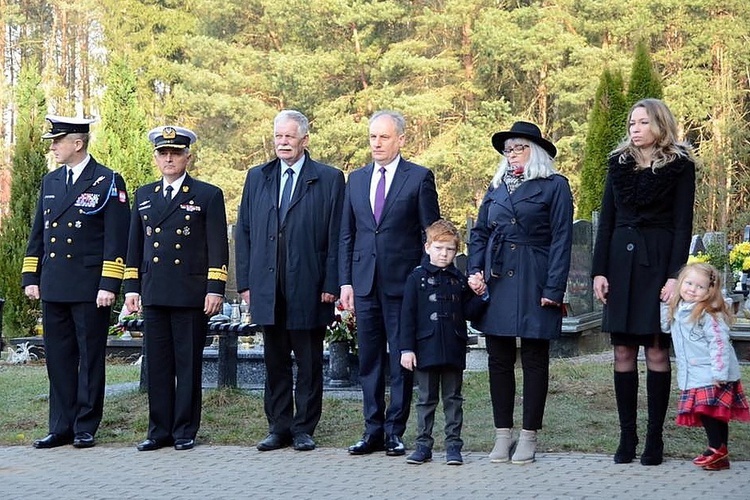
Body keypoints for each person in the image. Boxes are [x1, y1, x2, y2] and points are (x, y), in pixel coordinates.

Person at [592, 98, 696, 466]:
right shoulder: (617, 164)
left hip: (658, 264)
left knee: (655, 350)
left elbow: (683, 224)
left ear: (659, 125)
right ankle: (627, 436)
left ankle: (654, 439)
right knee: (622, 351)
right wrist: (599, 271)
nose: (634, 129)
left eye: (641, 122)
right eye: (631, 123)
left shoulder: (680, 167)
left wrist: (675, 277)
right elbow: (606, 220)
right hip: (620, 263)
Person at [235, 110, 344, 452]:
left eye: (289, 137)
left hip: (309, 286)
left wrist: (331, 283)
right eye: (278, 136)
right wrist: (246, 284)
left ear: (304, 140)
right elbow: (245, 231)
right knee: (275, 360)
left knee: (309, 362)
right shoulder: (258, 176)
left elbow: (337, 235)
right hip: (268, 287)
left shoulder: (328, 178)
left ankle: (304, 428)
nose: (282, 142)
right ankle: (278, 426)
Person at [467, 121, 573, 465]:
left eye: (519, 148)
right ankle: (503, 435)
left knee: (533, 357)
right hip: (497, 277)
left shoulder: (555, 186)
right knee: (498, 357)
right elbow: (480, 232)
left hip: (535, 275)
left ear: (536, 151)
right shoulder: (496, 187)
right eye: (508, 149)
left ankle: (529, 435)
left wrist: (553, 288)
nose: (512, 154)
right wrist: (475, 271)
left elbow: (561, 239)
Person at [22, 115, 130, 449]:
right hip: (54, 284)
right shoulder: (50, 182)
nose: (53, 147)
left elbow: (116, 238)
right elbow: (39, 232)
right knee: (58, 358)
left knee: (90, 357)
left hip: (89, 287)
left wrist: (109, 284)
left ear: (77, 143)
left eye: (58, 141)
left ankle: (85, 425)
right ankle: (60, 425)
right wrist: (31, 275)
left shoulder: (107, 180)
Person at [340, 110, 440, 456]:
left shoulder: (419, 178)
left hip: (403, 285)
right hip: (364, 284)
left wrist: (425, 282)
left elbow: (431, 233)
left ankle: (395, 431)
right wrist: (346, 283)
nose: (377, 143)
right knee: (368, 360)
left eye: (384, 137)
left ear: (401, 139)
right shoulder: (355, 179)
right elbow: (347, 235)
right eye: (372, 137)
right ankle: (372, 431)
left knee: (401, 358)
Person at [124, 126, 228, 451]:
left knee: (187, 365)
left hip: (190, 293)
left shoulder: (207, 195)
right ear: (155, 157)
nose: (168, 158)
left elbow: (217, 246)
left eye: (175, 153)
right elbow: (134, 246)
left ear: (188, 157)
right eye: (162, 153)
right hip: (154, 292)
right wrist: (131, 288)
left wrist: (215, 288)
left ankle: (184, 430)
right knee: (157, 365)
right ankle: (158, 431)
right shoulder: (144, 195)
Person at [399, 219, 488, 466]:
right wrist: (406, 349)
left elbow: (470, 311)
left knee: (453, 399)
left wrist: (481, 295)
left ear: (456, 251)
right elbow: (407, 316)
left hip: (453, 346)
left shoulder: (458, 279)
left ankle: (453, 447)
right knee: (426, 399)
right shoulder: (416, 278)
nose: (443, 254)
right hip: (425, 348)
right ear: (427, 247)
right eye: (438, 248)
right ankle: (423, 445)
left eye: (449, 249)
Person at [661, 262, 750, 471]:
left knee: (709, 411)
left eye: (699, 287)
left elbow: (719, 344)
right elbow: (664, 326)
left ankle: (715, 448)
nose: (692, 289)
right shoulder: (679, 308)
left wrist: (719, 372)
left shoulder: (709, 312)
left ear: (710, 290)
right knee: (715, 412)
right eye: (688, 283)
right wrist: (666, 302)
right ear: (680, 283)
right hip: (693, 371)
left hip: (712, 372)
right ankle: (721, 456)